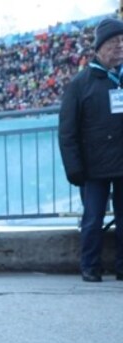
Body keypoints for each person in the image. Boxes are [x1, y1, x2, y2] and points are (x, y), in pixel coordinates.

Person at [59, 17, 123, 283]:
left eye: (122, 41)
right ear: (99, 48)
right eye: (113, 42)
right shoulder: (80, 84)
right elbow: (67, 131)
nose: (119, 46)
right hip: (93, 167)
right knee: (92, 219)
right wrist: (74, 168)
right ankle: (90, 266)